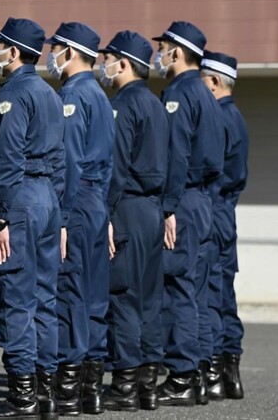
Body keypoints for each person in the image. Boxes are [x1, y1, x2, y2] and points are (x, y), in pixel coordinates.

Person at [0, 18, 65, 420]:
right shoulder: (48, 92)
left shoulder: (14, 94)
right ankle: (45, 392)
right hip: (46, 199)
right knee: (45, 297)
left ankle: (22, 396)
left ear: (13, 51)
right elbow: (61, 160)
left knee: (15, 297)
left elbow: (7, 159)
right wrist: (58, 217)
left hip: (20, 198)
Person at [95, 31, 170, 412]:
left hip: (126, 208)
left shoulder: (123, 103)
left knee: (122, 297)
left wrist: (105, 213)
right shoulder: (156, 103)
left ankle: (124, 383)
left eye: (107, 58)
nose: (103, 65)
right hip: (152, 210)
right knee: (149, 299)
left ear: (122, 63)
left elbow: (117, 165)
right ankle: (148, 383)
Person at [151, 21, 225, 407]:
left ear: (177, 52)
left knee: (176, 289)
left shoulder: (180, 91)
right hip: (202, 201)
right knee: (192, 290)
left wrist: (168, 207)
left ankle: (180, 376)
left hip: (182, 200)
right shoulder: (206, 93)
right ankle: (194, 374)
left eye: (163, 47)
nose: (159, 54)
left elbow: (176, 154)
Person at [45, 22, 114, 415]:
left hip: (76, 200)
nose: (52, 55)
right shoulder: (101, 96)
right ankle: (92, 389)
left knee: (69, 291)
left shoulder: (71, 95)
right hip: (96, 201)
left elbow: (69, 161)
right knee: (94, 294)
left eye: (56, 48)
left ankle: (68, 391)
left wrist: (65, 218)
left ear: (70, 52)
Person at [200, 51, 249, 401]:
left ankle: (214, 371)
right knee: (224, 292)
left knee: (212, 290)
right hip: (225, 211)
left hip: (214, 209)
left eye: (202, 79)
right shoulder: (237, 117)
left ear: (215, 82)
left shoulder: (219, 118)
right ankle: (229, 374)